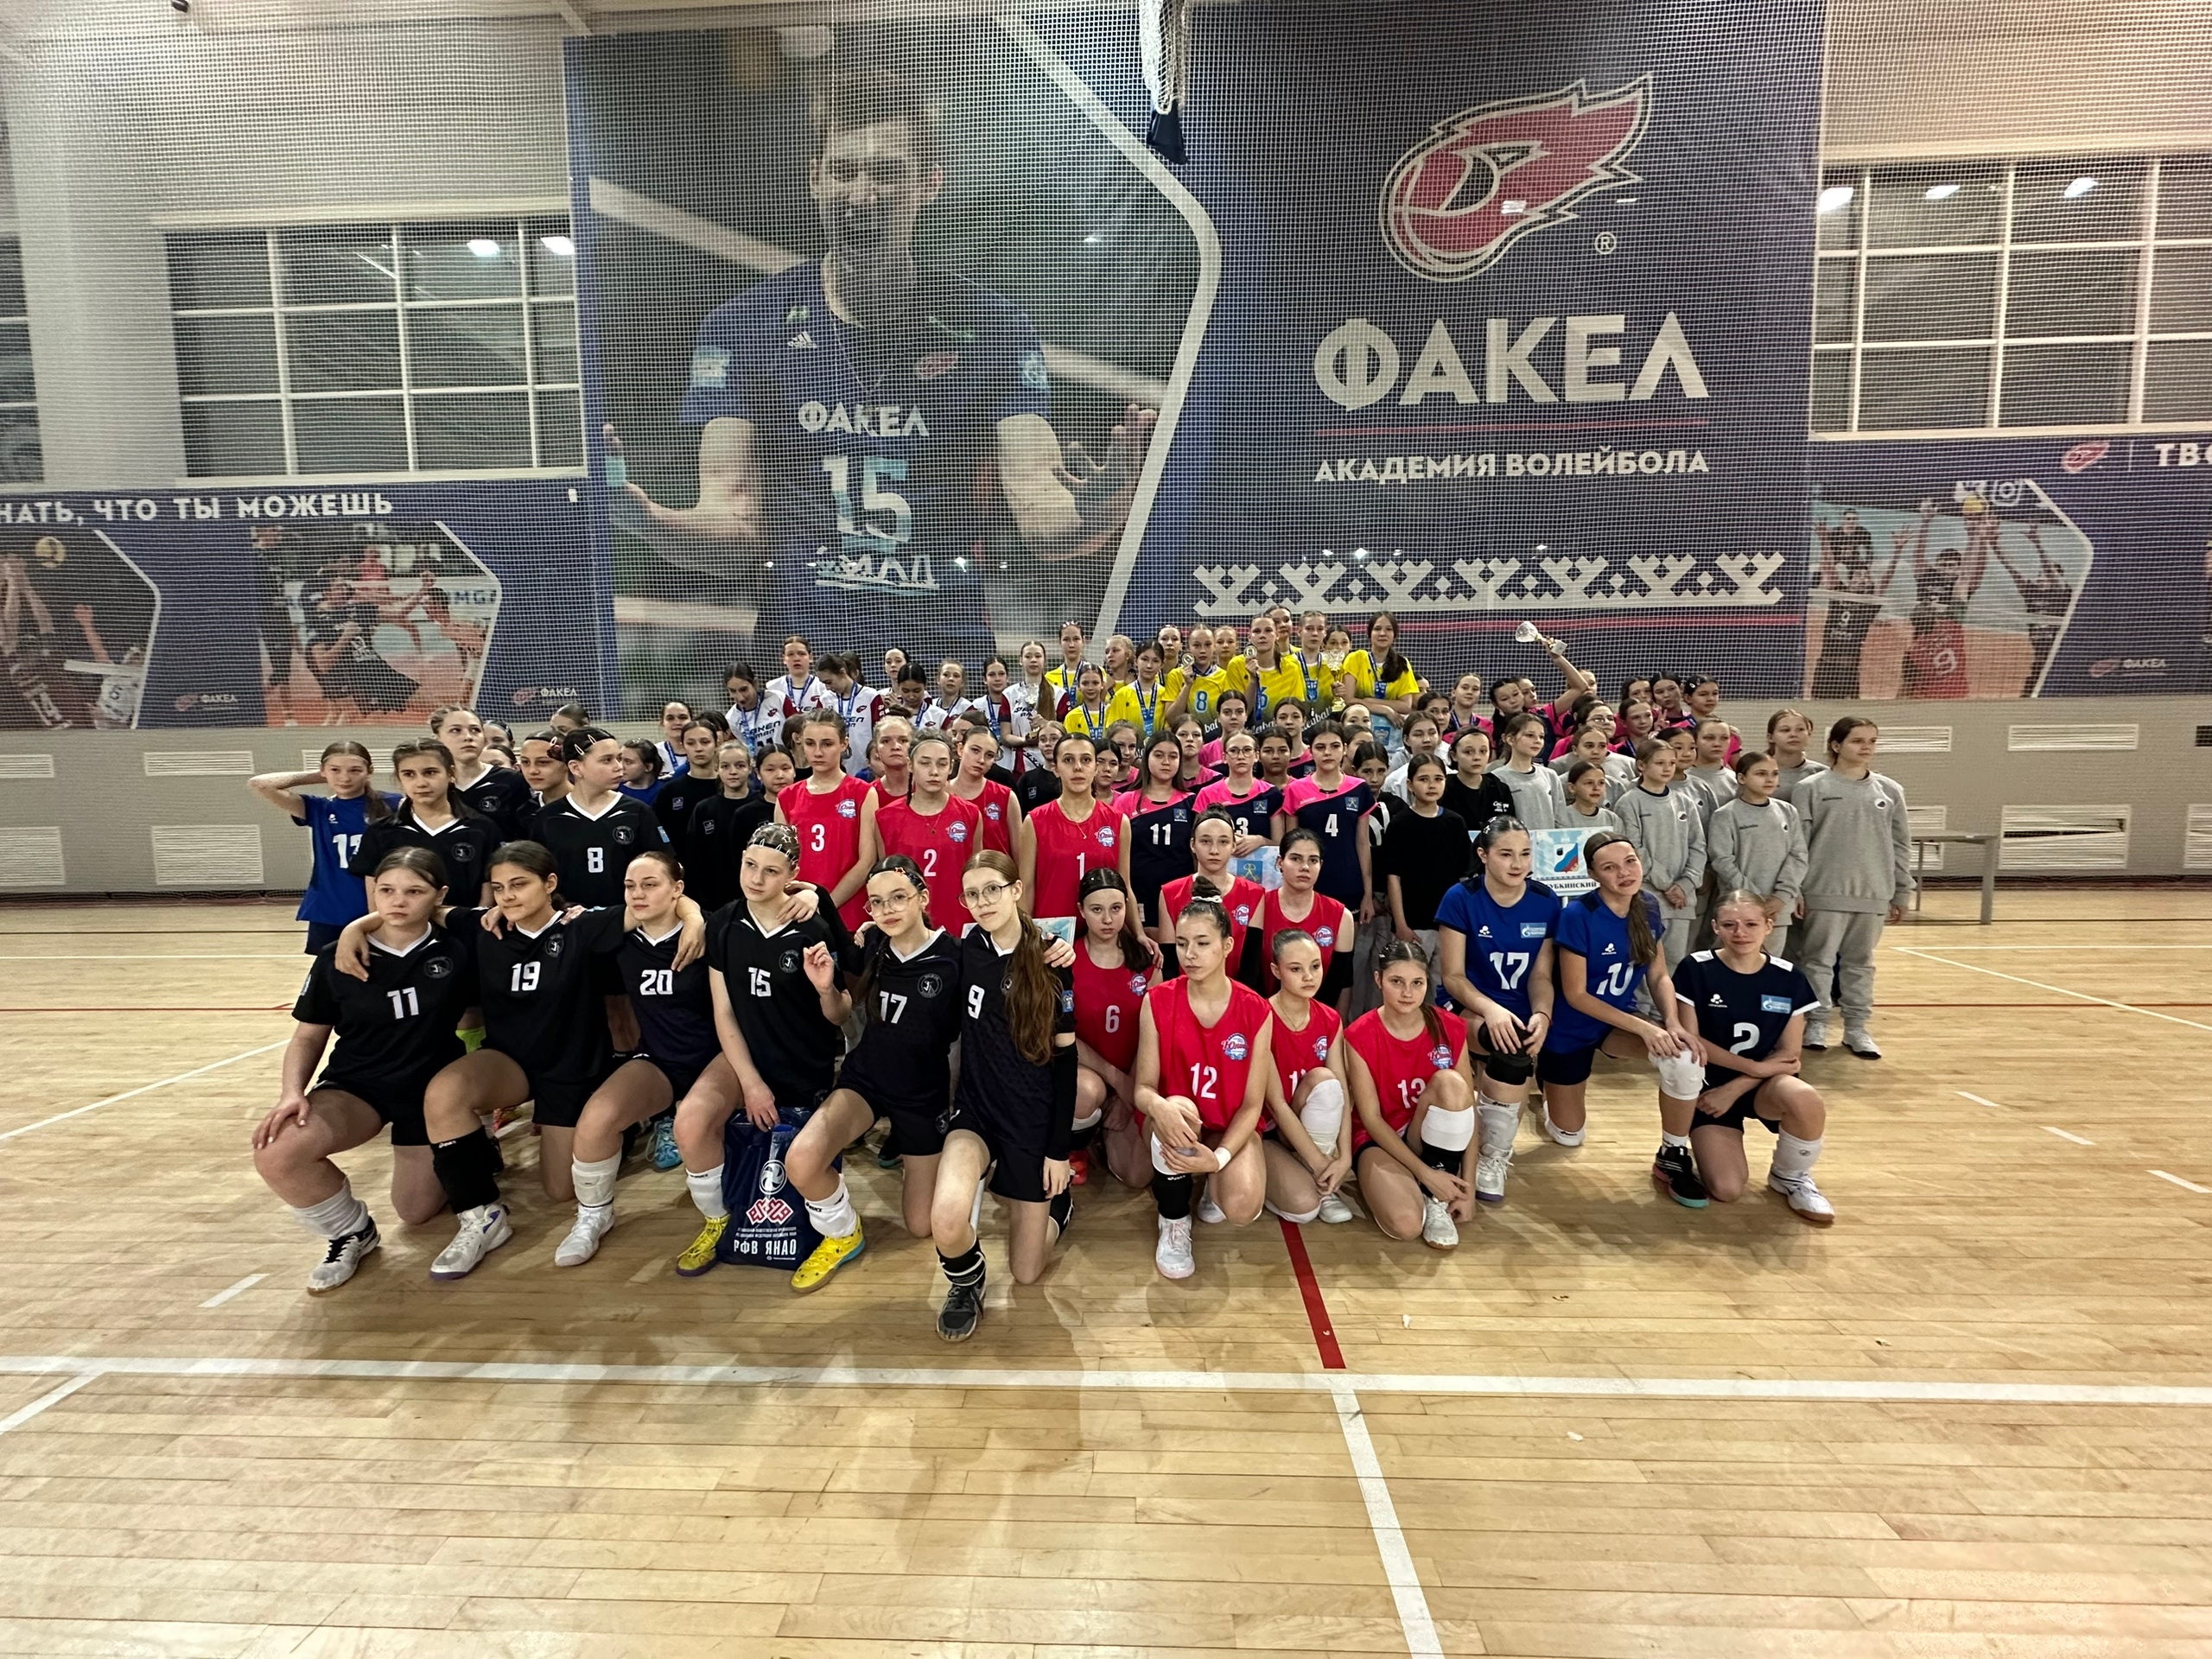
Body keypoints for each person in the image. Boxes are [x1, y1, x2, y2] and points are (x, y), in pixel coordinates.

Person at [606, 63, 1156, 666]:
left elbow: (1040, 511)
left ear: (930, 183)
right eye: (843, 170)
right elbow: (734, 530)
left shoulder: (993, 327)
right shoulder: (744, 327)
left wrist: (1099, 508)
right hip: (806, 664)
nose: (862, 196)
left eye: (888, 173)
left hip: (943, 663)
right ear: (815, 178)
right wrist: (644, 518)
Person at [329, 840, 706, 1280]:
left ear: (549, 883)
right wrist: (355, 928)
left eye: (519, 885)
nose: (507, 896)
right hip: (509, 1062)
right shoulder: (483, 926)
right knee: (446, 1091)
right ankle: (481, 1215)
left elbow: (653, 903)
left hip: (571, 1070)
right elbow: (421, 908)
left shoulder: (582, 926)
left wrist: (695, 917)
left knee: (560, 1190)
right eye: (499, 887)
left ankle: (619, 1132)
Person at [253, 849, 476, 1292]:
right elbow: (308, 1036)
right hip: (357, 1085)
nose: (398, 901)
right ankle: (350, 1232)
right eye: (386, 890)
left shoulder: (459, 949)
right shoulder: (338, 956)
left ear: (439, 895)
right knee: (277, 1151)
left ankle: (469, 1146)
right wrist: (291, 1092)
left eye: (414, 891)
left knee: (415, 1212)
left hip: (433, 1091)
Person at [775, 855, 969, 1293]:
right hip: (867, 1079)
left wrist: (1051, 948)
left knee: (921, 1225)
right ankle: (843, 1232)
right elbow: (840, 997)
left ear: (923, 898)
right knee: (801, 1161)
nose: (887, 909)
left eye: (898, 898)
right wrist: (826, 986)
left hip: (923, 1096)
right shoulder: (875, 944)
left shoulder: (956, 956)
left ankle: (944, 1164)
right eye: (877, 902)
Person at [552, 851, 742, 1266]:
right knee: (596, 1119)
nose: (637, 894)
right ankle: (593, 1216)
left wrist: (694, 918)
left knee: (692, 1121)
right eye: (629, 886)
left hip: (721, 1055)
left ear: (677, 889)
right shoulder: (617, 933)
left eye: (650, 884)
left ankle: (719, 1219)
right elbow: (553, 924)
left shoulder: (713, 929)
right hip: (660, 1058)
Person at [930, 851, 1081, 1340]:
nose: (982, 902)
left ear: (1016, 890)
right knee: (946, 1218)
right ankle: (966, 1282)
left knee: (1027, 1272)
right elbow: (912, 934)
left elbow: (1066, 1063)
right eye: (972, 894)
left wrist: (1058, 1151)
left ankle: (1059, 1206)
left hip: (1031, 1121)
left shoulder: (1052, 959)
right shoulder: (969, 946)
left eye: (992, 889)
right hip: (976, 1111)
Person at [1537, 834, 1708, 1207]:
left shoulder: (1647, 905)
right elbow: (1577, 995)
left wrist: (1671, 1023)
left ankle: (1672, 1154)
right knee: (1569, 1136)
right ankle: (1549, 1090)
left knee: (1683, 1060)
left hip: (1618, 1021)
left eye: (1630, 861)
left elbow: (1659, 975)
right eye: (1610, 867)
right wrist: (1645, 1028)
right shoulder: (1578, 915)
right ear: (1593, 874)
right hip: (1569, 1029)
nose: (1624, 872)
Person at [1131, 897, 1273, 1281]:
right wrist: (1158, 1107)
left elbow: (1253, 1105)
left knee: (1242, 1207)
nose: (1189, 954)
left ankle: (1213, 1180)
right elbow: (1143, 1089)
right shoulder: (1157, 1000)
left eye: (1202, 943)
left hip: (1227, 1125)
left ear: (1227, 945)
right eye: (1181, 943)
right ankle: (1173, 1219)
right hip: (1177, 1122)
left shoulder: (1256, 1009)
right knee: (1178, 1108)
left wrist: (1220, 1160)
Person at [1675, 893, 1834, 1222]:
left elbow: (1790, 1055)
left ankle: (1791, 1177)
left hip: (1764, 1085)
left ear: (1768, 926)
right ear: (1715, 927)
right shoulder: (1696, 969)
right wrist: (1751, 1068)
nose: (1740, 933)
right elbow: (1692, 1040)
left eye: (1750, 924)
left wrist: (1738, 1085)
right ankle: (1689, 1149)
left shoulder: (1789, 978)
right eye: (1729, 925)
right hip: (1709, 1089)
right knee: (1727, 1189)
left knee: (1805, 1098)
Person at [1434, 816, 1560, 1205]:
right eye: (1506, 854)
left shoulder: (1545, 901)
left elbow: (1541, 975)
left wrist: (1543, 1014)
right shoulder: (1461, 897)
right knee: (1509, 1045)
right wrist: (1491, 1010)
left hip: (1520, 1011)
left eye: (1525, 854)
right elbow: (1453, 976)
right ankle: (1480, 1148)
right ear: (1484, 855)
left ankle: (1492, 1156)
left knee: (1517, 1046)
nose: (1517, 863)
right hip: (1468, 1004)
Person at [1789, 716, 1912, 1058]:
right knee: (1818, 961)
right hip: (1824, 890)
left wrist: (1902, 890)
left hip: (1873, 892)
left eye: (1872, 741)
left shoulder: (1890, 791)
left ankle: (1857, 1028)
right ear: (1836, 745)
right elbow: (1798, 844)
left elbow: (1900, 844)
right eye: (1858, 740)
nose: (1866, 747)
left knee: (1861, 963)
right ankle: (1816, 1023)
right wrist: (1796, 888)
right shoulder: (1811, 788)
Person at [1343, 942, 1477, 1248]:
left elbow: (1469, 1112)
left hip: (1428, 1136)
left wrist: (1469, 1186)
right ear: (1378, 980)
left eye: (1417, 983)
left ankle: (1435, 1198)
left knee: (1452, 1084)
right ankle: (1421, 1184)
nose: (1407, 993)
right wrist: (1424, 1174)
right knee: (1406, 1226)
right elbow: (1371, 1119)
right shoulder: (1359, 1034)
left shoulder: (1449, 1027)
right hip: (1381, 1137)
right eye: (1396, 982)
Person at [250, 741, 394, 952]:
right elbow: (260, 784)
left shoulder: (392, 804)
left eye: (355, 770)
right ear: (323, 770)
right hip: (330, 908)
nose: (345, 778)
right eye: (335, 770)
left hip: (380, 906)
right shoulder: (318, 808)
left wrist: (331, 771)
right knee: (331, 971)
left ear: (369, 772)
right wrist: (320, 775)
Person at [1257, 929, 1354, 1224]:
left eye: (1315, 966)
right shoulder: (1261, 1015)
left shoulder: (1330, 1019)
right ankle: (1307, 1173)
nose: (1309, 976)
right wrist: (1322, 1164)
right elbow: (1276, 1105)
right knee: (1304, 1209)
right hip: (1268, 1130)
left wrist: (1345, 1157)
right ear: (1276, 971)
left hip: (1308, 1126)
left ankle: (1318, 1178)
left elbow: (1342, 1093)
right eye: (1296, 969)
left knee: (1327, 1082)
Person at [347, 739, 497, 907]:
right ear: (399, 779)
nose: (421, 783)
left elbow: (488, 893)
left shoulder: (482, 829)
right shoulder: (380, 832)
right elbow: (375, 899)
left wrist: (472, 922)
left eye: (430, 772)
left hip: (465, 922)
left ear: (451, 774)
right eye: (409, 774)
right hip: (402, 924)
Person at [534, 727, 671, 909]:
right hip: (567, 919)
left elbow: (665, 866)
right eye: (607, 760)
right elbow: (534, 875)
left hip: (627, 917)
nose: (618, 766)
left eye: (619, 758)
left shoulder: (638, 812)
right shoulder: (547, 817)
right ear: (576, 768)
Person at [867, 732, 986, 931]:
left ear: (951, 767)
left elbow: (976, 874)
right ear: (910, 765)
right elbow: (883, 877)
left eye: (942, 764)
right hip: (907, 925)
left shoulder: (970, 814)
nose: (934, 772)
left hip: (958, 922)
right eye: (925, 763)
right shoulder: (885, 818)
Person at [777, 708, 876, 929]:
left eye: (827, 744)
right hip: (800, 913)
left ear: (844, 743)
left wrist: (824, 905)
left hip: (849, 915)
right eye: (810, 743)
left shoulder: (862, 792)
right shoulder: (787, 797)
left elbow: (867, 861)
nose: (818, 752)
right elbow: (781, 862)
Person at [1612, 736, 1706, 970]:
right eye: (1660, 763)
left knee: (1675, 961)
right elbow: (1633, 849)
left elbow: (1698, 845)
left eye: (1671, 763)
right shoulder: (1629, 803)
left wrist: (1685, 884)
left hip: (1682, 899)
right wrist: (1666, 885)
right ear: (1641, 766)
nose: (1667, 768)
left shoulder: (1685, 802)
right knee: (1646, 960)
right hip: (1648, 895)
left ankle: (1669, 998)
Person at [1018, 730, 1130, 922]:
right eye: (1068, 760)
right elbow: (1026, 889)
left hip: (1101, 933)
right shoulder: (1034, 821)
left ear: (1095, 767)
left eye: (1086, 760)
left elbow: (1125, 886)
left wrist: (1138, 933)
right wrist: (1025, 935)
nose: (1078, 767)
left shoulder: (1119, 821)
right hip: (1050, 933)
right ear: (1056, 769)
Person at [1707, 752, 1809, 960]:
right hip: (1739, 908)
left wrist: (1781, 896)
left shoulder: (1788, 811)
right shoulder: (1726, 815)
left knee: (1770, 965)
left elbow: (1798, 856)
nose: (1769, 779)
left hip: (1777, 909)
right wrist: (1753, 899)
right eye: (1761, 774)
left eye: (1774, 774)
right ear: (1741, 778)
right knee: (1736, 963)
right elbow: (1723, 861)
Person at [1274, 721, 1375, 931]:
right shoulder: (1296, 789)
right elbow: (1291, 845)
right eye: (1320, 747)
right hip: (1309, 884)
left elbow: (1363, 843)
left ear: (1344, 749)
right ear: (1310, 751)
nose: (1327, 753)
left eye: (1334, 746)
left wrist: (1367, 893)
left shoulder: (1359, 788)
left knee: (1345, 947)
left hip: (1349, 883)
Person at [1376, 752, 1468, 977]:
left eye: (1438, 779)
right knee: (1411, 982)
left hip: (1449, 923)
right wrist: (1401, 924)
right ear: (1410, 784)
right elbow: (1393, 878)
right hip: (1413, 923)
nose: (1431, 785)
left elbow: (1464, 877)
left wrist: (1463, 921)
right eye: (1423, 779)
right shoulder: (1400, 824)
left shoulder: (1455, 822)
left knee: (1445, 985)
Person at [1157, 809, 1266, 970]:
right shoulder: (1170, 893)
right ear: (1193, 845)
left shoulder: (1253, 894)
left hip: (1236, 985)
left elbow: (1251, 966)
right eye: (1206, 841)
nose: (1214, 850)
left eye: (1223, 842)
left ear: (1233, 846)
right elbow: (1169, 964)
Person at [1255, 828, 1354, 1002]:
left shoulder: (1341, 916)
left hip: (1318, 1012)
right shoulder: (1259, 907)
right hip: (1264, 1009)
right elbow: (1251, 974)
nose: (1305, 867)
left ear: (1320, 865)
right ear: (1280, 862)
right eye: (1296, 859)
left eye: (1313, 860)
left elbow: (1338, 983)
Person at [1113, 732, 1197, 931]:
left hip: (1180, 891)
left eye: (1173, 756)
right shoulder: (1126, 801)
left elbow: (1196, 854)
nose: (1166, 762)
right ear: (1146, 757)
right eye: (1159, 755)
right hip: (1139, 892)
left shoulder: (1191, 801)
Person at [683, 740, 773, 911]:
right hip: (714, 898)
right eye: (725, 766)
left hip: (758, 894)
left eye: (740, 765)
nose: (733, 772)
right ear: (716, 768)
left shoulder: (764, 806)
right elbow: (694, 859)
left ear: (750, 768)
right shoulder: (704, 810)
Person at [1991, 523, 2074, 693]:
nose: (2041, 577)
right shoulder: (2031, 592)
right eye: (2039, 574)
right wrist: (1994, 545)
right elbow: (2011, 568)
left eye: (2046, 575)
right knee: (2031, 692)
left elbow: (2051, 573)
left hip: (2060, 655)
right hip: (2039, 653)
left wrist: (2037, 544)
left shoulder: (2062, 594)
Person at [432, 706, 535, 839]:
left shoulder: (511, 780)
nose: (468, 737)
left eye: (475, 730)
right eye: (456, 730)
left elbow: (527, 835)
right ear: (437, 739)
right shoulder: (431, 783)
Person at [1195, 729, 1282, 859]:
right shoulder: (1207, 794)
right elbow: (1198, 843)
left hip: (1261, 869)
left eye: (1247, 750)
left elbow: (1279, 844)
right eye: (1234, 751)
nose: (1241, 756)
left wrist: (1260, 841)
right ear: (1224, 757)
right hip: (1218, 867)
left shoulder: (1271, 794)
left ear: (1257, 756)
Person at [1335, 609, 1421, 731]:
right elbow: (1349, 700)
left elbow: (1405, 706)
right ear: (1369, 633)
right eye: (1377, 629)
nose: (1382, 633)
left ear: (1395, 635)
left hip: (1392, 728)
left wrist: (1369, 701)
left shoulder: (1402, 664)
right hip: (1359, 727)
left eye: (1389, 629)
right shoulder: (1355, 658)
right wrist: (1385, 710)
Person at [1491, 710, 1567, 832]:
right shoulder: (1497, 778)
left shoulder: (1550, 776)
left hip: (1547, 841)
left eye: (1541, 737)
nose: (1537, 741)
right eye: (1530, 735)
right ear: (1510, 739)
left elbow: (1561, 819)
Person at [1440, 728, 1516, 843]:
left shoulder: (1500, 789)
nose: (1477, 757)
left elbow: (1509, 829)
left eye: (1483, 751)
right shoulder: (1443, 788)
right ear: (1454, 755)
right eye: (1468, 752)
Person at [819, 652, 881, 777]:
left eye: (829, 682)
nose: (828, 687)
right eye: (824, 683)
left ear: (842, 672)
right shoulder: (825, 700)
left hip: (866, 768)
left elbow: (880, 733)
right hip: (836, 769)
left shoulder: (870, 696)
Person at [1165, 625, 1231, 725]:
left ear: (1214, 647)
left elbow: (1229, 717)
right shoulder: (1176, 675)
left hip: (1216, 733)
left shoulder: (1225, 676)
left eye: (1208, 645)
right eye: (1197, 645)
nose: (1203, 651)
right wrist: (1187, 686)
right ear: (1188, 648)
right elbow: (1172, 719)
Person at [1104, 639, 1170, 740]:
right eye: (1144, 659)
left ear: (1162, 665)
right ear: (1136, 661)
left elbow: (1169, 729)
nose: (1149, 665)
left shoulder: (1165, 695)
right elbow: (1113, 733)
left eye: (1155, 661)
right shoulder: (1122, 695)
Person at [1765, 709, 1827, 798]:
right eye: (1785, 730)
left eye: (1800, 729)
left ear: (1809, 734)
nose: (1793, 734)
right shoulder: (1755, 771)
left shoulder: (1822, 773)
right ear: (1771, 737)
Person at [1015, 721, 1065, 815]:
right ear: (1038, 744)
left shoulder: (1073, 776)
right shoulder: (1027, 779)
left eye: (1054, 739)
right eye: (1043, 740)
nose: (1048, 744)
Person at [861, 712, 914, 799]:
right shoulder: (866, 795)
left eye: (903, 740)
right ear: (876, 750)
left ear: (913, 746)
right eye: (886, 741)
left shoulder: (931, 789)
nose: (895, 747)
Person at [514, 729, 569, 810]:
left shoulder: (587, 805)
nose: (532, 771)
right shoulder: (525, 811)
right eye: (525, 762)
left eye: (543, 762)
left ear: (567, 764)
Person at [1042, 620, 1090, 715]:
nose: (1071, 645)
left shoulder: (1096, 673)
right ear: (1059, 641)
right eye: (1066, 639)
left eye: (1076, 639)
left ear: (1083, 641)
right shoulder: (1049, 678)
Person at [1561, 760, 1622, 832]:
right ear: (1572, 788)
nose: (1596, 788)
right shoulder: (1561, 818)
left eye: (1601, 783)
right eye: (1589, 783)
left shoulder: (1612, 819)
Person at [617, 739, 664, 804]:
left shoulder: (665, 790)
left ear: (648, 767)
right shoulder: (615, 791)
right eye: (619, 760)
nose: (620, 766)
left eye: (628, 762)